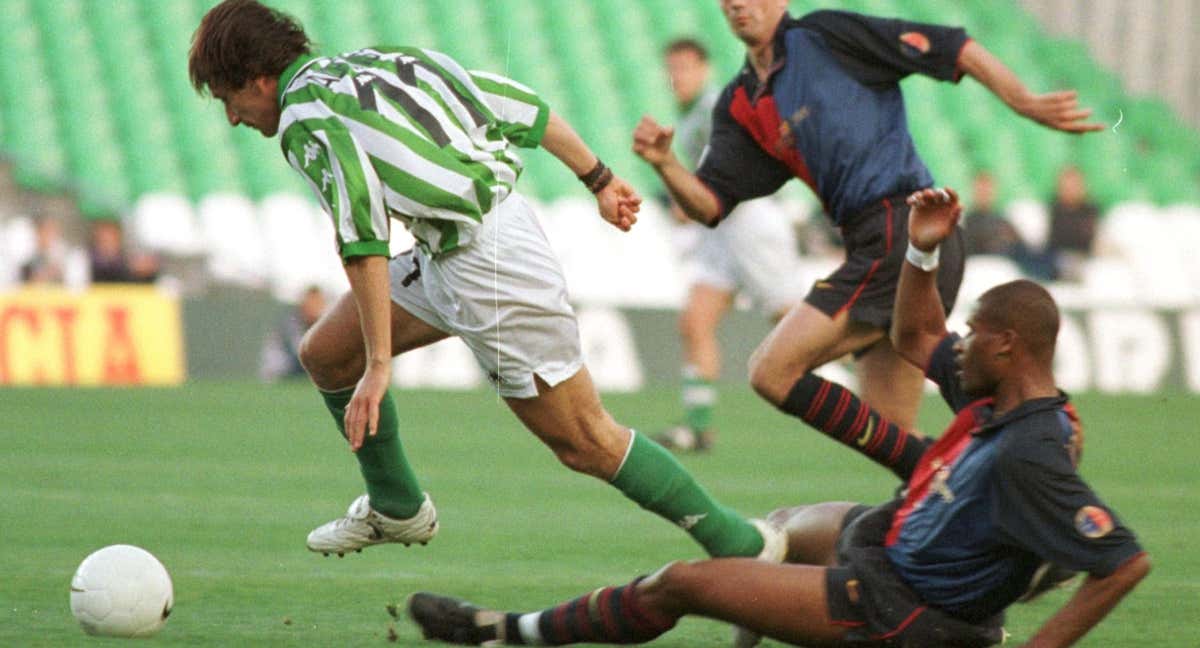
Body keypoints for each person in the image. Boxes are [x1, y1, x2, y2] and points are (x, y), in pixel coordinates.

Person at [406, 187, 1150, 648]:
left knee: (685, 582)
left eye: (977, 332)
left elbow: (1125, 561)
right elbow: (918, 335)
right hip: (888, 543)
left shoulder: (1033, 449)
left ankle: (505, 634)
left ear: (1010, 344)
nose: (962, 344)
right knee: (779, 532)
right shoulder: (994, 395)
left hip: (898, 608)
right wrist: (921, 256)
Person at [188, 0, 782, 563]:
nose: (234, 117)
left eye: (228, 99)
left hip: (487, 266)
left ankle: (743, 545)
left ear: (260, 78)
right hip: (455, 243)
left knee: (585, 441)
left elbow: (363, 242)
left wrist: (382, 365)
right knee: (325, 353)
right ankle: (398, 508)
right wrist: (597, 177)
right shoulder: (377, 60)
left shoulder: (304, 119)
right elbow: (516, 105)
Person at [632, 1, 1104, 449]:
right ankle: (1004, 452)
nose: (738, 4)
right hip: (876, 242)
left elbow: (949, 44)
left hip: (904, 227)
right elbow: (710, 204)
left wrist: (1022, 100)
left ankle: (1024, 427)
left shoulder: (827, 37)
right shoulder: (742, 102)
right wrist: (666, 164)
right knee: (895, 432)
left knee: (772, 371)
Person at [655, 38, 804, 452]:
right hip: (719, 229)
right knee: (695, 322)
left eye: (685, 67)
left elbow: (747, 155)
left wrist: (697, 196)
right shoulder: (689, 117)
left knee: (793, 323)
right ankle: (698, 427)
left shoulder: (714, 108)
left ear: (703, 69)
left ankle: (866, 364)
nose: (677, 77)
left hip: (751, 222)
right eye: (672, 68)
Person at [260, 285, 328, 382]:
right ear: (303, 304)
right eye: (311, 302)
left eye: (318, 303)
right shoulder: (290, 324)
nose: (314, 307)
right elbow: (299, 356)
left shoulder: (324, 325)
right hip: (282, 374)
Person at [1046, 165, 1099, 282]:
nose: (1070, 190)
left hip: (1085, 259)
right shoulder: (1052, 209)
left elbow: (1089, 240)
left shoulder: (1090, 211)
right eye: (1066, 186)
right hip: (1057, 260)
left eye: (1074, 185)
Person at [88, 220, 160, 284]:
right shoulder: (87, 262)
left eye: (111, 239)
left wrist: (146, 274)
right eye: (103, 240)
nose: (107, 244)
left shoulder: (129, 263)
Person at [20, 216, 68, 284]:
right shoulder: (28, 258)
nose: (51, 236)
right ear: (38, 233)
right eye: (47, 232)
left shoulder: (61, 257)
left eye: (53, 232)